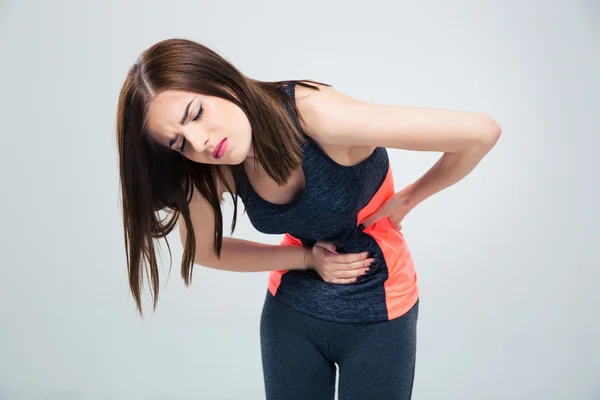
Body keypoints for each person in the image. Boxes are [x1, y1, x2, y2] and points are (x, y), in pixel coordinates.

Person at [115, 37, 501, 400]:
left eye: (196, 113)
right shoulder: (208, 164)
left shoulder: (321, 117)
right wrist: (304, 259)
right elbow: (202, 249)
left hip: (379, 310)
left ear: (220, 80)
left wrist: (410, 198)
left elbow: (481, 132)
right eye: (179, 142)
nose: (199, 142)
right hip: (291, 315)